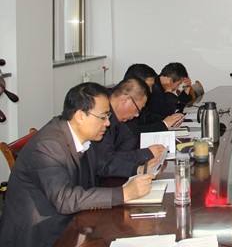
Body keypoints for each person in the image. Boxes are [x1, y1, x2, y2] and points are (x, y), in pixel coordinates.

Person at [0, 83, 154, 247]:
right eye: (103, 117)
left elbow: (101, 165)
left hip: (74, 221)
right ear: (80, 116)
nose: (108, 123)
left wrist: (137, 170)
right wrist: (123, 194)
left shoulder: (82, 136)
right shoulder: (48, 146)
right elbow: (65, 199)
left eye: (108, 116)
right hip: (43, 235)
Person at [94, 77, 166, 178]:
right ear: (126, 100)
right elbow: (104, 161)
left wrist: (142, 158)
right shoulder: (100, 120)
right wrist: (146, 154)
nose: (137, 115)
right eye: (138, 109)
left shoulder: (118, 119)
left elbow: (129, 143)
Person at [123, 63, 185, 136]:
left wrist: (169, 119)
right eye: (149, 86)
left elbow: (147, 116)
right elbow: (132, 132)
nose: (150, 91)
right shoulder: (124, 103)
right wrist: (164, 124)